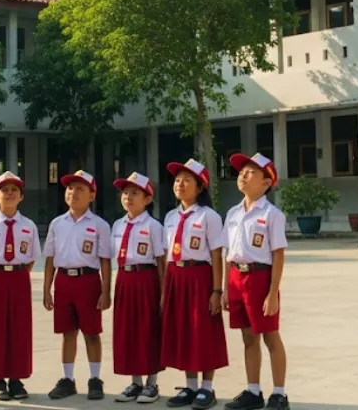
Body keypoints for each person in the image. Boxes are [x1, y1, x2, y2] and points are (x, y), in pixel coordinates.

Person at [161, 158, 229, 410]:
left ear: (200, 187)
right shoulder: (169, 217)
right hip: (175, 277)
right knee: (183, 330)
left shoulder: (209, 216)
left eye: (187, 180)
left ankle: (207, 387)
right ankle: (189, 385)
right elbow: (166, 254)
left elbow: (216, 254)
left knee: (203, 331)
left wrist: (216, 290)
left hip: (199, 277)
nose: (180, 184)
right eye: (177, 179)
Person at [223, 153, 289, 410]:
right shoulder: (233, 212)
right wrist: (227, 288)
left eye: (250, 172)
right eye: (242, 171)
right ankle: (253, 391)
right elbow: (227, 252)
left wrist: (273, 293)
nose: (243, 175)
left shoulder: (272, 214)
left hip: (261, 278)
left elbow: (278, 254)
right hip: (236, 277)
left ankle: (280, 394)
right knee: (248, 337)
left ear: (266, 182)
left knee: (270, 337)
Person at [44, 169, 113, 401]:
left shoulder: (99, 224)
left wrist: (106, 291)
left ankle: (95, 378)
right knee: (67, 332)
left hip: (88, 280)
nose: (73, 193)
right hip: (64, 280)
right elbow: (50, 258)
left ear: (92, 195)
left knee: (92, 333)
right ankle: (67, 379)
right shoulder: (57, 223)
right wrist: (47, 289)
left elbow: (105, 260)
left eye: (80, 189)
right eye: (70, 188)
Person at [0, 171, 40, 402]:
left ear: (21, 196)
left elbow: (32, 257)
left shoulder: (29, 225)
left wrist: (18, 275)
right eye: (4, 190)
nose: (9, 193)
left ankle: (16, 378)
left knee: (19, 328)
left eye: (14, 190)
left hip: (19, 278)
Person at [111, 171, 168, 403]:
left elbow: (162, 262)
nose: (128, 197)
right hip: (125, 279)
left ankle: (151, 383)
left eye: (135, 193)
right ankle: (135, 382)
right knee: (129, 330)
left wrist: (163, 292)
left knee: (148, 329)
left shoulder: (153, 226)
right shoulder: (117, 225)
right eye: (125, 193)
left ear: (147, 199)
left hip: (146, 279)